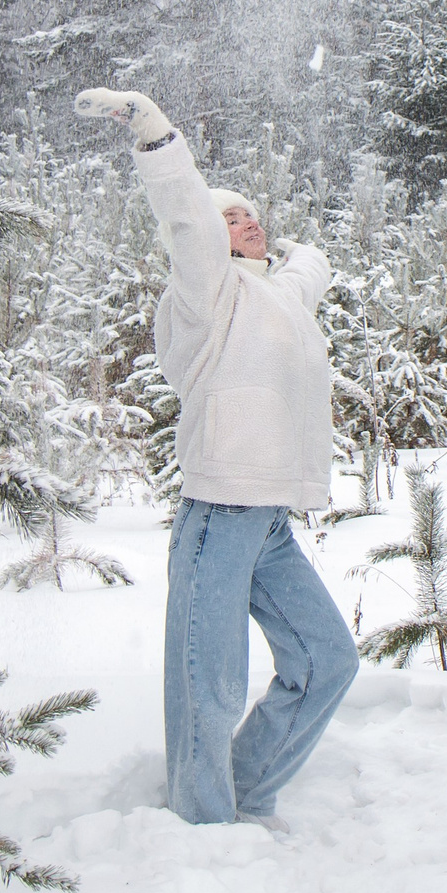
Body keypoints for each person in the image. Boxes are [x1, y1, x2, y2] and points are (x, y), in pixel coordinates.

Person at [73, 87, 357, 831]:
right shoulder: (205, 292)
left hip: (268, 521)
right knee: (212, 686)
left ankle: (242, 786)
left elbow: (310, 267)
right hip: (217, 513)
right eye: (233, 217)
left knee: (327, 659)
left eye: (254, 214)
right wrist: (157, 137)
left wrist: (290, 251)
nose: (247, 221)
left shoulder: (279, 297)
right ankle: (200, 833)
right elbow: (189, 218)